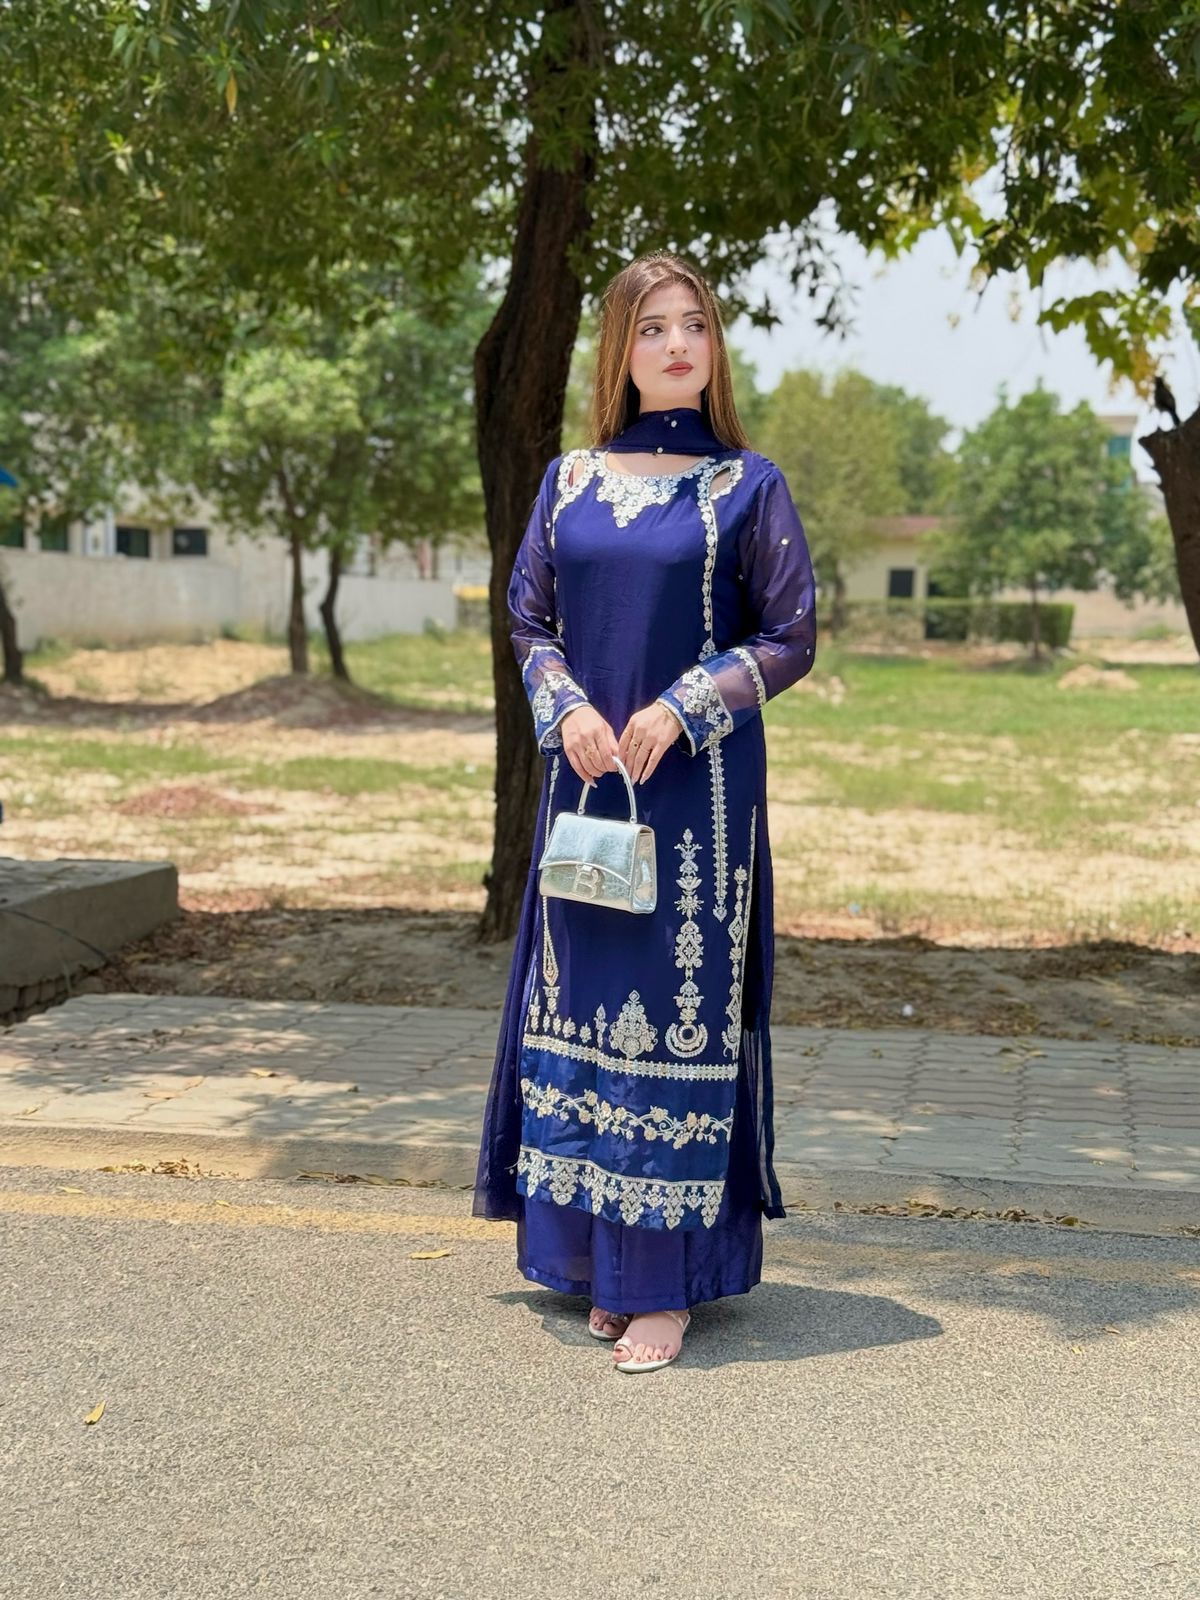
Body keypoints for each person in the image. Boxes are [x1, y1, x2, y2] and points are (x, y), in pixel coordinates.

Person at [473, 249, 817, 1373]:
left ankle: (660, 1288)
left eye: (695, 325)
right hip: (588, 790)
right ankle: (592, 1265)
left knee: (670, 1019)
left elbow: (789, 636)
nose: (677, 344)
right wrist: (564, 704)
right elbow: (530, 619)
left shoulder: (749, 486)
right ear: (619, 350)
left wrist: (683, 705)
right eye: (654, 327)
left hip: (695, 801)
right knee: (579, 1011)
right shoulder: (569, 480)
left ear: (715, 349)